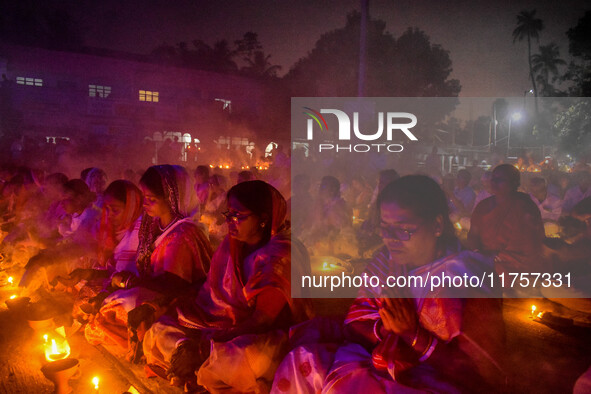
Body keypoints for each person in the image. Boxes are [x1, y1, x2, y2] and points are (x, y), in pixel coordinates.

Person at [272, 175, 505, 393]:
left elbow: (485, 376)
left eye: (404, 230)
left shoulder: (469, 277)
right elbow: (357, 321)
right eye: (385, 227)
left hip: (436, 380)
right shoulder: (386, 261)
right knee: (300, 359)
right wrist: (386, 328)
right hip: (380, 362)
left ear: (437, 225)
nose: (390, 239)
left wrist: (413, 335)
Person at [141, 180, 312, 392]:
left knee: (234, 358)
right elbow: (212, 293)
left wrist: (207, 346)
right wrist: (194, 339)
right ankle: (189, 360)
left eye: (238, 216)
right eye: (228, 215)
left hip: (263, 336)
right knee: (159, 329)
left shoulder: (282, 255)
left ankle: (198, 367)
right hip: (220, 325)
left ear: (263, 219)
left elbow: (262, 321)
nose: (230, 222)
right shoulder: (232, 244)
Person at [84, 165, 213, 356]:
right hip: (151, 289)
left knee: (119, 309)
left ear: (172, 199)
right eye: (144, 197)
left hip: (176, 299)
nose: (145, 204)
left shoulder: (184, 233)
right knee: (107, 302)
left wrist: (129, 282)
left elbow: (175, 285)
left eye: (151, 199)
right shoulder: (153, 223)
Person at [467, 164, 545, 275]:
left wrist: (496, 257)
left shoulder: (525, 206)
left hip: (514, 265)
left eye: (500, 180)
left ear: (514, 183)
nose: (494, 182)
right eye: (493, 179)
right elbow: (473, 234)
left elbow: (530, 247)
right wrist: (477, 252)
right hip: (484, 259)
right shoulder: (483, 205)